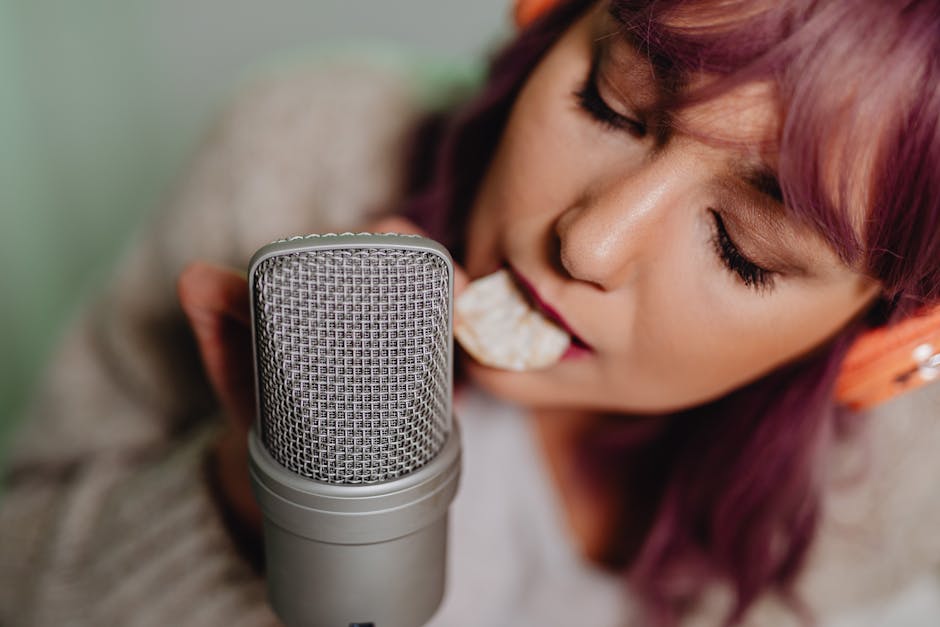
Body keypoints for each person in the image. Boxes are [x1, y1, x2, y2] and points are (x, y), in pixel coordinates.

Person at [1, 0, 939, 625]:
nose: (589, 245)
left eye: (744, 249)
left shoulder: (903, 479)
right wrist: (247, 502)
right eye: (611, 103)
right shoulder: (305, 158)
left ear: (878, 344)